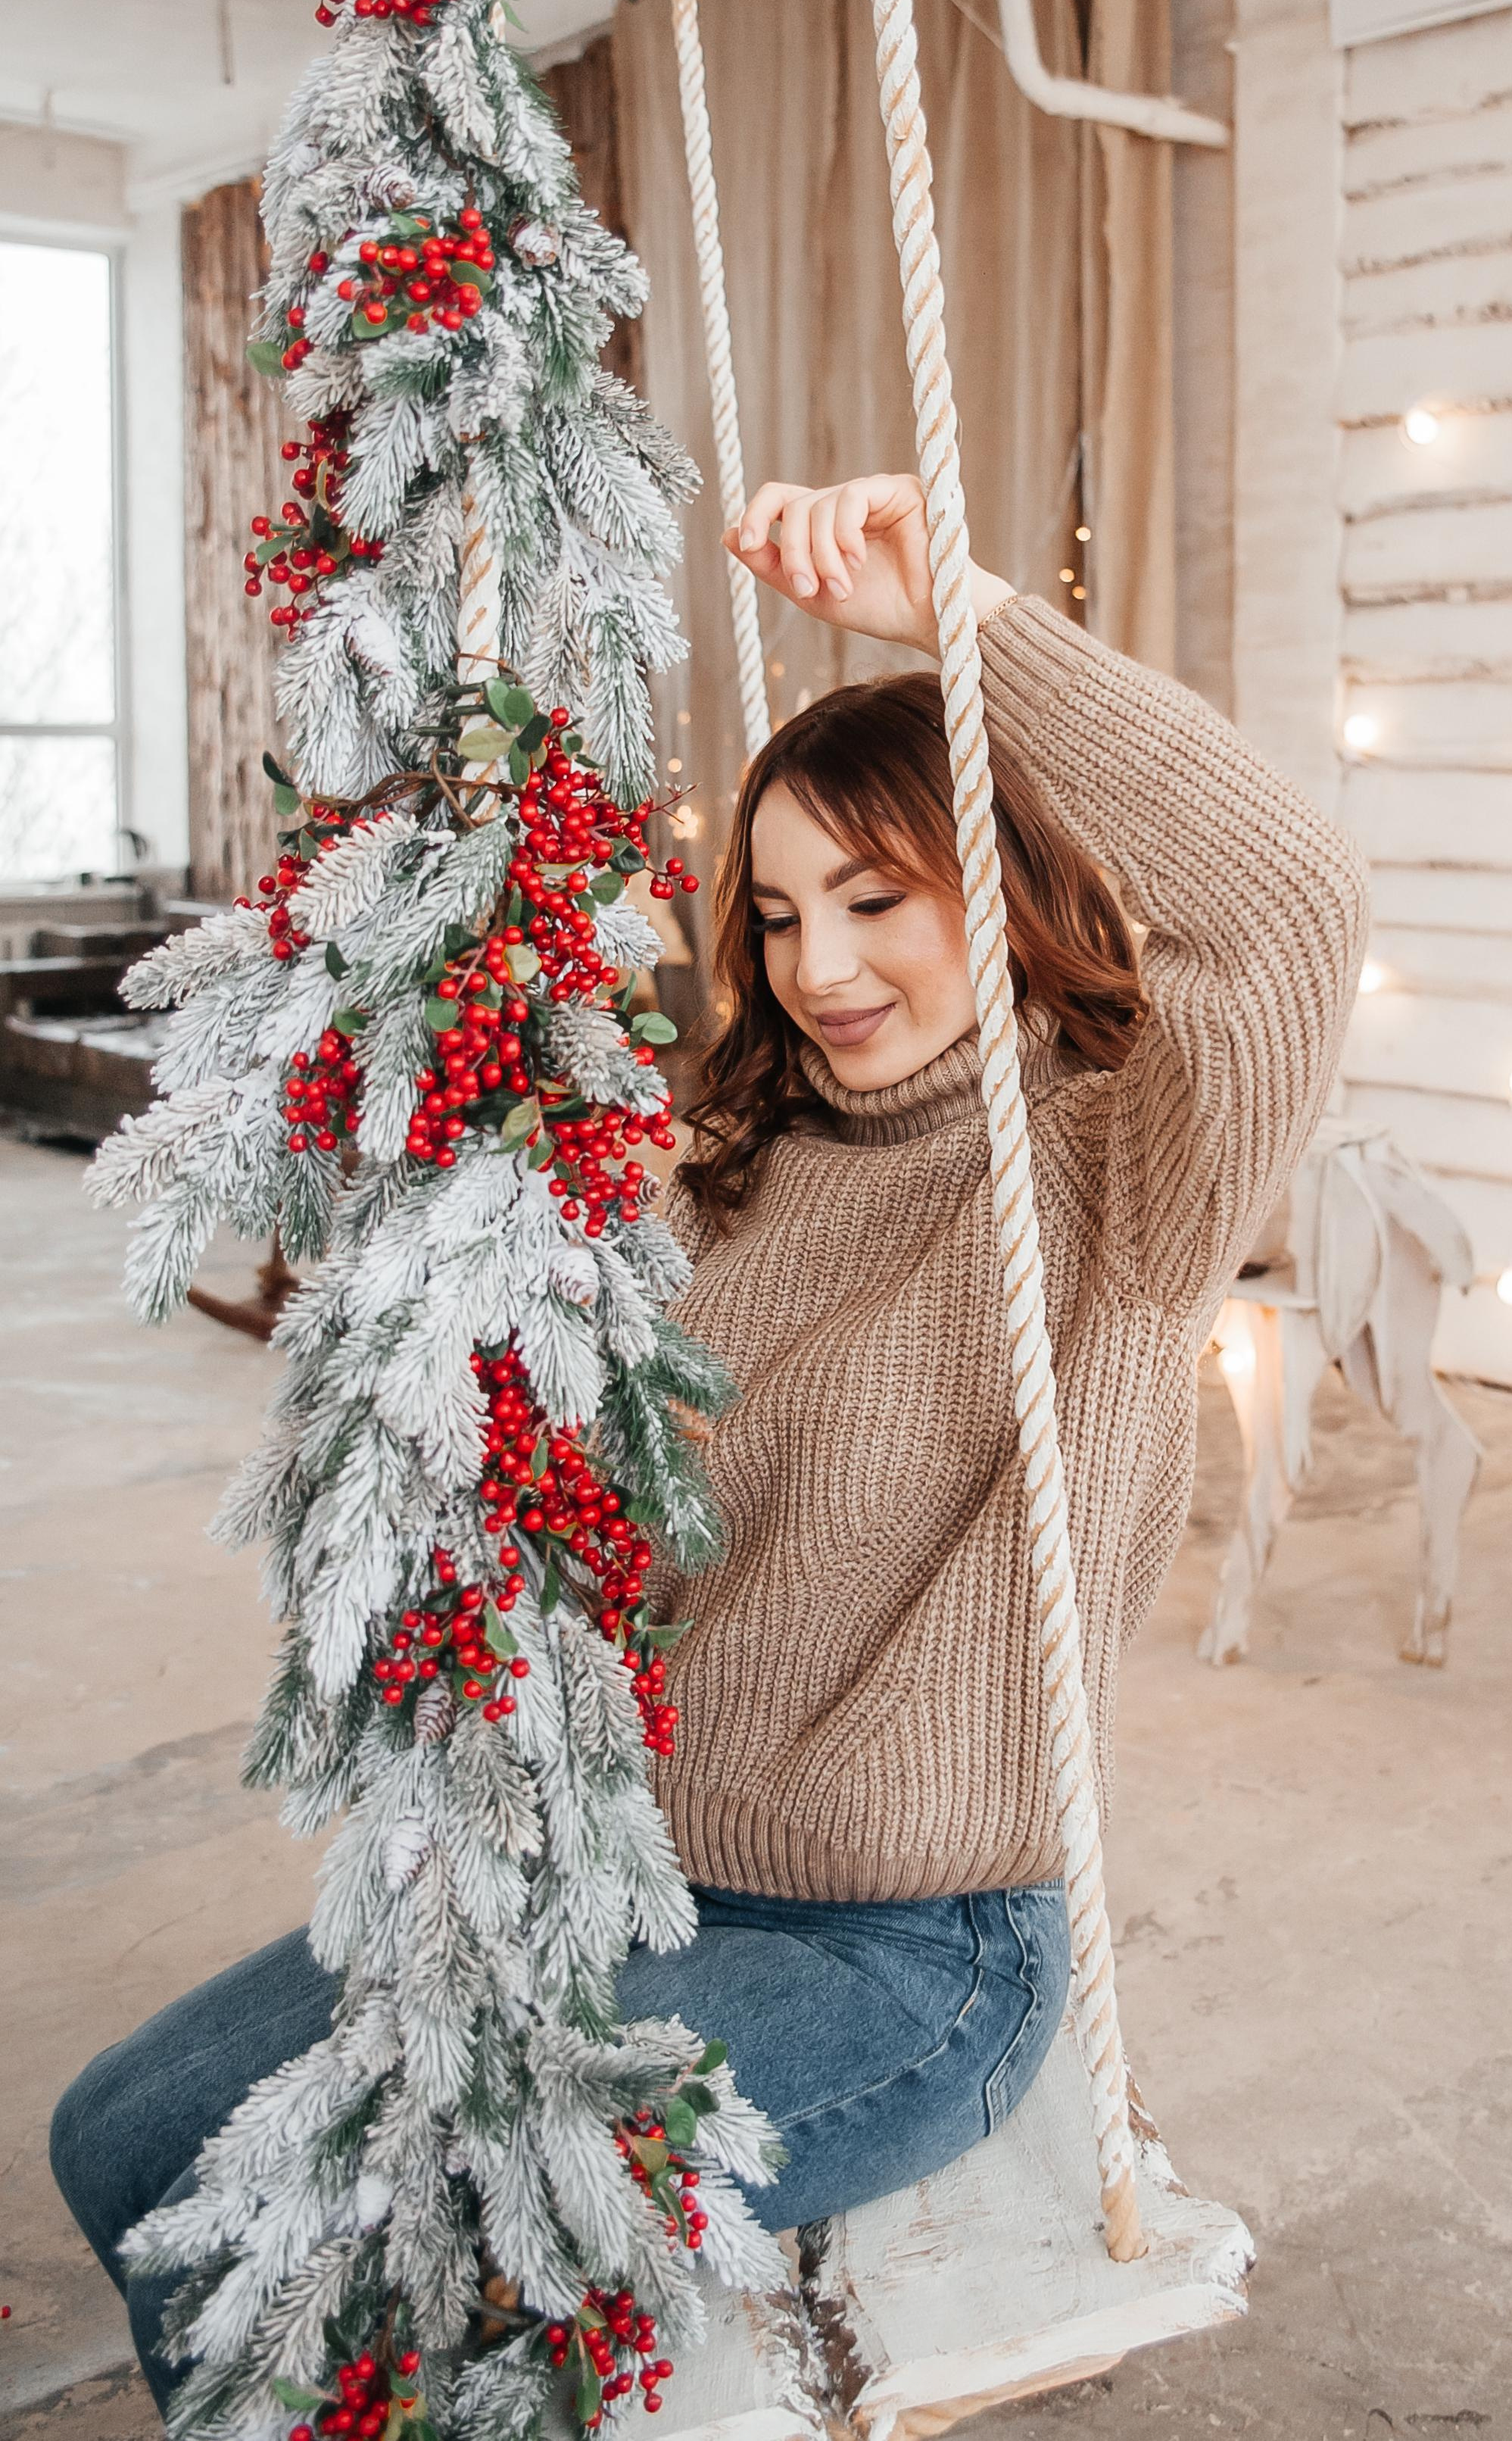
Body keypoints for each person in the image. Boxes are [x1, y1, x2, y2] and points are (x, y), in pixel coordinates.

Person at [51, 472, 1367, 2414]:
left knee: (374, 2238)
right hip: (606, 1876)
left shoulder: (1118, 1174)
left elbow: (1294, 908)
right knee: (121, 2135)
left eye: (874, 898)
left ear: (999, 877)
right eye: (776, 912)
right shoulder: (723, 1166)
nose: (819, 967)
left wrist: (970, 615)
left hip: (899, 1955)